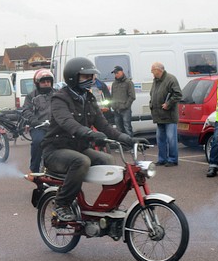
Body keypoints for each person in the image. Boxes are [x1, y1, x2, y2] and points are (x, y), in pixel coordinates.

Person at [41, 57, 148, 221]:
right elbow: (67, 122)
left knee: (107, 159)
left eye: (91, 76)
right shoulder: (60, 98)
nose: (91, 80)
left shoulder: (89, 98)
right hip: (56, 150)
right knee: (81, 161)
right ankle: (61, 203)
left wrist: (129, 139)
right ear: (73, 77)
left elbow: (104, 126)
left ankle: (107, 205)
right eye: (86, 76)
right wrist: (90, 134)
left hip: (78, 148)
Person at [149, 62, 183, 167]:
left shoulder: (170, 79)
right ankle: (162, 159)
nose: (152, 73)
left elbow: (178, 94)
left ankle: (172, 159)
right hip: (159, 115)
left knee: (171, 139)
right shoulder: (156, 81)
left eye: (152, 71)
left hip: (169, 115)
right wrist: (151, 103)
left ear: (159, 70)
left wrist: (168, 104)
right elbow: (152, 94)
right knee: (160, 139)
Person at [22, 69, 55, 172]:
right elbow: (26, 110)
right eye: (43, 82)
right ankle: (34, 169)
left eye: (48, 81)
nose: (46, 84)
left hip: (55, 126)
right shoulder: (31, 96)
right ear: (37, 83)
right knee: (38, 141)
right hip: (38, 127)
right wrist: (34, 121)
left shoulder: (58, 94)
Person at [111, 65, 135, 136]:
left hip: (125, 110)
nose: (116, 74)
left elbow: (132, 96)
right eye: (115, 73)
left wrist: (126, 106)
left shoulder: (128, 82)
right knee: (119, 130)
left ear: (121, 72)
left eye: (117, 73)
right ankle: (122, 145)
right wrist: (113, 105)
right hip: (116, 110)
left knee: (127, 128)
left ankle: (130, 145)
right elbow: (112, 96)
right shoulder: (114, 83)